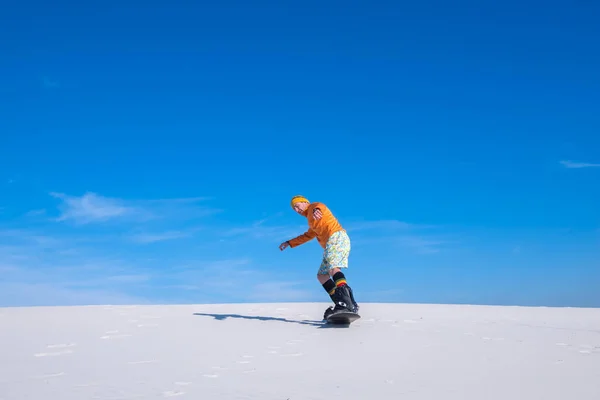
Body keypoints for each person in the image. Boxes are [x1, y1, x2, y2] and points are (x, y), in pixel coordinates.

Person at [279, 195, 359, 319]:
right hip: (330, 245)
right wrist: (289, 243)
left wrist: (317, 210)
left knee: (333, 268)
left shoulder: (313, 207)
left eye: (297, 205)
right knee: (322, 276)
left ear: (305, 202)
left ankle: (346, 302)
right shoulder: (311, 223)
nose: (296, 210)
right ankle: (341, 302)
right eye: (294, 209)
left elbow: (319, 206)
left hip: (337, 237)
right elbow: (306, 236)